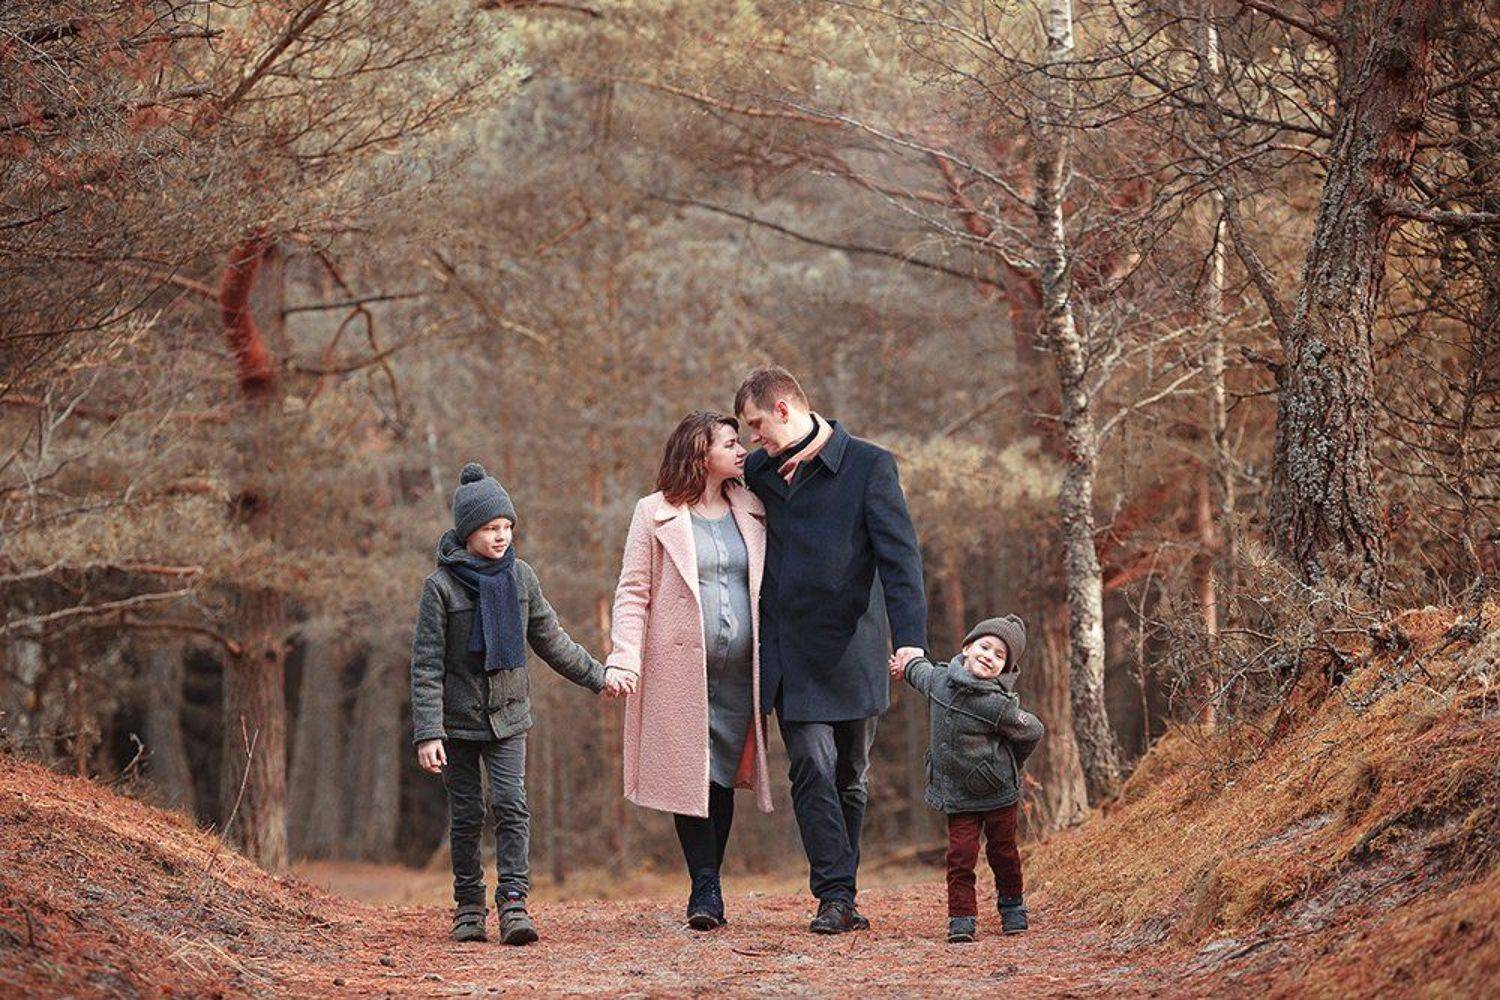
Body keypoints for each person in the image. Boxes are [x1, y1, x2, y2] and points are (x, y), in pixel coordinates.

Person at [734, 365, 928, 934]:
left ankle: (844, 889)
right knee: (811, 767)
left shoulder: (870, 466)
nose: (752, 439)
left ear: (784, 410)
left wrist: (910, 642)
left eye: (756, 425)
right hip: (789, 653)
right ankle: (835, 895)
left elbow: (900, 561)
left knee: (850, 776)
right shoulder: (760, 471)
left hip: (853, 651)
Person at [409, 462, 618, 945]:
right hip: (457, 723)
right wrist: (428, 732)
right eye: (490, 528)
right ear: (468, 532)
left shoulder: (521, 578)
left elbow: (552, 640)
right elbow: (426, 664)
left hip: (509, 717)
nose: (501, 536)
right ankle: (468, 906)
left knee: (511, 805)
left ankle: (514, 903)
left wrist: (599, 677)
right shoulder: (440, 588)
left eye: (507, 526)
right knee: (467, 815)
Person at [606, 411, 774, 930]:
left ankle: (709, 879)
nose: (741, 449)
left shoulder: (753, 507)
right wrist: (624, 655)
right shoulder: (653, 512)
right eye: (729, 442)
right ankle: (705, 885)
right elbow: (633, 592)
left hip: (741, 673)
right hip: (679, 671)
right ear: (700, 453)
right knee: (690, 773)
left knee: (721, 773)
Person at [893, 614, 1044, 944]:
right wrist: (904, 663)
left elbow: (1033, 730)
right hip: (959, 795)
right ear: (967, 647)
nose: (989, 656)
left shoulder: (998, 705)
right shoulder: (940, 680)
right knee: (960, 856)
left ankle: (1012, 906)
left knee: (1003, 853)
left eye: (999, 656)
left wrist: (1011, 763)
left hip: (999, 794)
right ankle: (961, 918)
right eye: (985, 647)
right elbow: (919, 671)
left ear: (1004, 669)